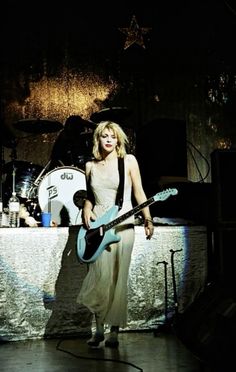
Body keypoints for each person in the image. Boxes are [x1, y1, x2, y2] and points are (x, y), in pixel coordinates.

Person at [77, 120, 154, 348]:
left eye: (113, 136)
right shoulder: (90, 165)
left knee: (118, 280)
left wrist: (148, 219)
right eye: (104, 136)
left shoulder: (128, 161)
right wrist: (86, 207)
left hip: (123, 227)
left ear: (118, 139)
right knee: (100, 278)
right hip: (98, 229)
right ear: (97, 139)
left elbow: (139, 192)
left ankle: (114, 332)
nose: (109, 140)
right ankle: (98, 329)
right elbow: (90, 196)